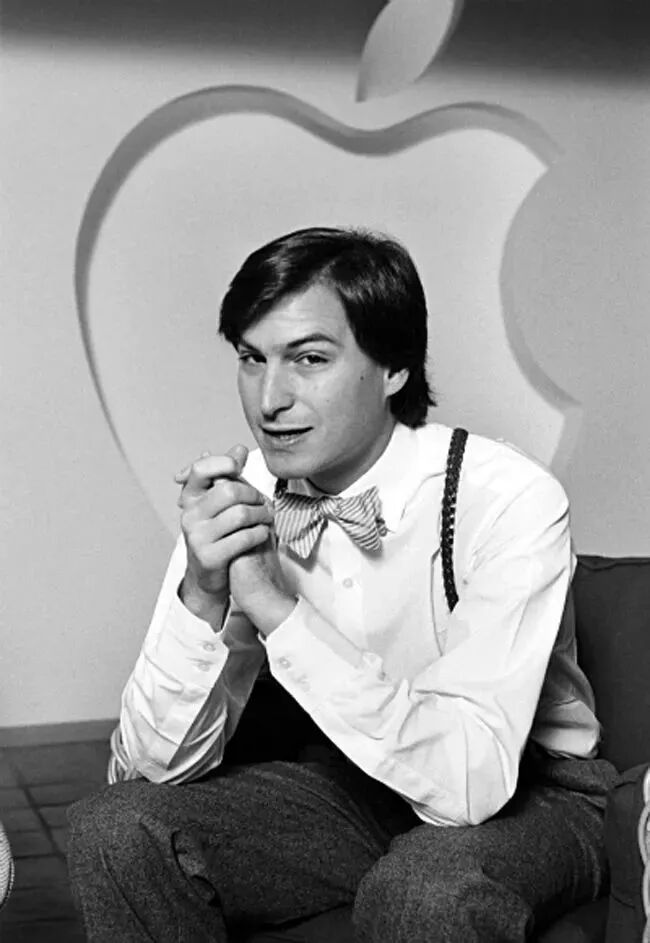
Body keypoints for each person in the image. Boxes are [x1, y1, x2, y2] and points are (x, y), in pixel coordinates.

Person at [67, 226, 618, 942]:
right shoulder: (245, 494)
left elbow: (471, 784)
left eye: (310, 359)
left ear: (394, 367)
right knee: (116, 830)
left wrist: (274, 608)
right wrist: (203, 594)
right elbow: (149, 768)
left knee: (426, 890)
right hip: (347, 779)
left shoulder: (506, 496)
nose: (270, 399)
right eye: (251, 358)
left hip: (531, 791)